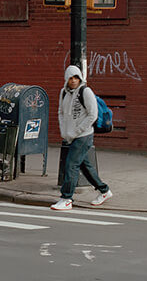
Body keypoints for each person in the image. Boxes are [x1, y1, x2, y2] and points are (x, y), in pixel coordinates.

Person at [51, 65, 112, 210]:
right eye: (70, 78)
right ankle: (104, 191)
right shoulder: (63, 93)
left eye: (76, 78)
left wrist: (76, 131)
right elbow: (61, 112)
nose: (73, 81)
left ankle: (66, 198)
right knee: (85, 167)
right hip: (71, 135)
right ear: (66, 79)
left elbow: (93, 115)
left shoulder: (86, 91)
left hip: (83, 135)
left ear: (80, 78)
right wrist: (64, 132)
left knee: (71, 165)